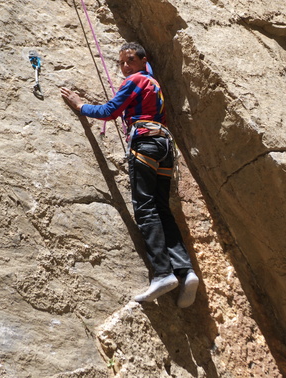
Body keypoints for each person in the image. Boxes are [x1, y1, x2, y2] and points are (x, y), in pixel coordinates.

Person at [61, 42, 199, 308]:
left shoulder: (136, 80)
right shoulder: (154, 83)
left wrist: (81, 106)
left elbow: (109, 111)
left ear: (142, 60)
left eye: (131, 60)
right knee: (161, 208)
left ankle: (163, 273)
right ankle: (185, 271)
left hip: (145, 143)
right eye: (121, 62)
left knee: (145, 208)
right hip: (165, 146)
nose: (125, 66)